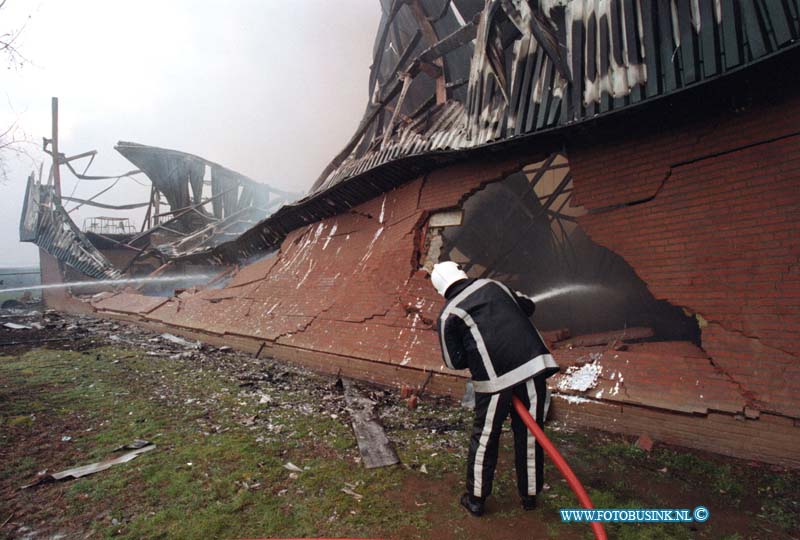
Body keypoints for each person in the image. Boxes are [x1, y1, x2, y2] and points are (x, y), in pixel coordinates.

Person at [430, 261, 559, 517]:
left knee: (486, 437)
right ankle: (530, 496)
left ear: (440, 289)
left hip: (494, 382)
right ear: (461, 274)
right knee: (531, 434)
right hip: (533, 367)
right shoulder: (494, 285)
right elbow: (528, 305)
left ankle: (476, 499)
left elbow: (453, 361)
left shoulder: (448, 315)